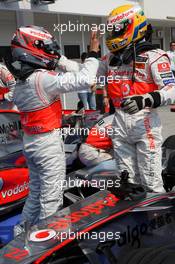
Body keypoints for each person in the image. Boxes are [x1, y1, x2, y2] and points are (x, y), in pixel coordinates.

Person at [5, 25, 99, 230]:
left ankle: (22, 233)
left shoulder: (21, 82)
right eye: (47, 47)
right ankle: (48, 243)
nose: (51, 52)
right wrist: (92, 52)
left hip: (30, 143)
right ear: (32, 48)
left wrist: (58, 59)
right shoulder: (42, 79)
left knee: (36, 193)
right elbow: (86, 78)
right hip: (47, 145)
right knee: (51, 199)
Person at [97, 4, 175, 192]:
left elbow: (172, 89)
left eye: (118, 29)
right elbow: (91, 78)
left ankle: (159, 217)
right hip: (118, 122)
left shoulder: (154, 56)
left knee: (150, 181)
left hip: (145, 121)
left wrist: (145, 99)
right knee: (127, 181)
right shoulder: (109, 59)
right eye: (112, 30)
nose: (113, 34)